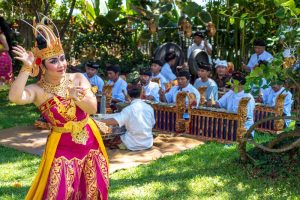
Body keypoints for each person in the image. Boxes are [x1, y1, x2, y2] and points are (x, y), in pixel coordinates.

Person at [9, 19, 109, 199]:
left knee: (93, 189)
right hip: (62, 145)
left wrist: (73, 97)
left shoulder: (78, 78)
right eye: (54, 61)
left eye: (62, 58)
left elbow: (92, 109)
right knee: (59, 192)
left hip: (90, 140)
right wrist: (25, 68)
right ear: (42, 65)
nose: (62, 64)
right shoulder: (38, 90)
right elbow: (15, 97)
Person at [210, 72, 255, 136]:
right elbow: (219, 104)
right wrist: (211, 102)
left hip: (243, 127)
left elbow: (246, 118)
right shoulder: (230, 93)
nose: (230, 84)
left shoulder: (248, 97)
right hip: (229, 124)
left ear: (239, 84)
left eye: (232, 82)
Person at [0, 16, 13, 84]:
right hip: (2, 59)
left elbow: (7, 48)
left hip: (3, 60)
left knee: (3, 83)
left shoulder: (1, 36)